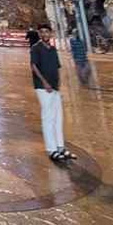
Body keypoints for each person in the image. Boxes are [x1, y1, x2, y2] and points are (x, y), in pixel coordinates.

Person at [30, 24, 75, 162]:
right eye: (42, 32)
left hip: (55, 86)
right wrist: (44, 82)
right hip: (43, 87)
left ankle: (60, 146)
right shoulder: (35, 48)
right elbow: (34, 66)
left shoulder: (53, 49)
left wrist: (59, 84)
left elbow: (57, 67)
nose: (44, 34)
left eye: (47, 32)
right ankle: (51, 149)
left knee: (58, 117)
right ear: (39, 33)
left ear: (51, 33)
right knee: (48, 117)